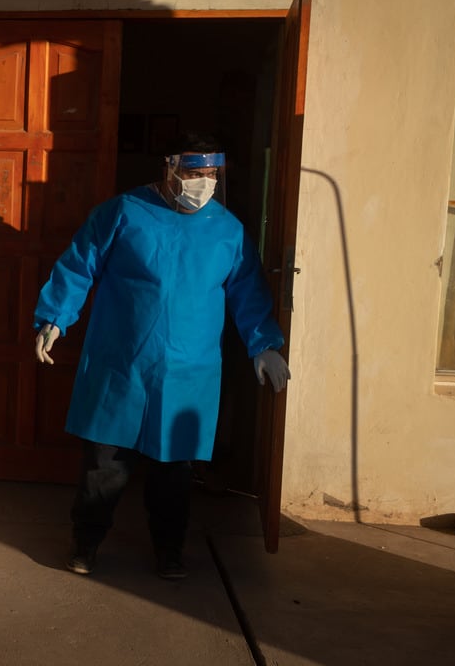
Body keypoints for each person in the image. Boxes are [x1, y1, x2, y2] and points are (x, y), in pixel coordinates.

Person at [33, 132, 290, 580]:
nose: (203, 183)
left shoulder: (227, 231)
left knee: (174, 471)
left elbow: (248, 291)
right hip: (122, 362)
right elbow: (79, 264)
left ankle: (170, 551)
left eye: (211, 175)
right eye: (193, 174)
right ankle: (86, 544)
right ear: (169, 171)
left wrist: (263, 344)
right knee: (105, 466)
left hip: (187, 370)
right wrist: (55, 318)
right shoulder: (124, 213)